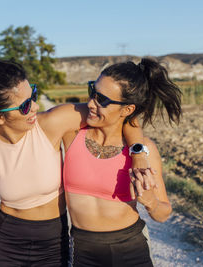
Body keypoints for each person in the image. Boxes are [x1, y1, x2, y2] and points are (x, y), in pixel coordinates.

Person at [0, 60, 148, 267]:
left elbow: (121, 117)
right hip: (7, 241)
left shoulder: (52, 124)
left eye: (33, 95)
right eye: (26, 105)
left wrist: (139, 154)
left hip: (54, 245)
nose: (35, 107)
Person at [62, 57, 182, 266]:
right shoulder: (70, 135)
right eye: (93, 92)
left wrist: (151, 202)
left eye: (102, 100)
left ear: (127, 110)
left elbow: (163, 214)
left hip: (131, 249)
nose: (91, 103)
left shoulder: (145, 150)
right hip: (83, 251)